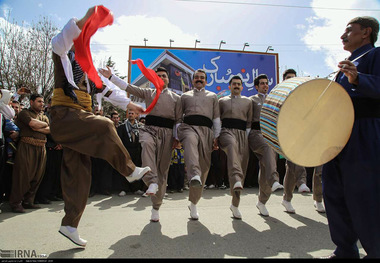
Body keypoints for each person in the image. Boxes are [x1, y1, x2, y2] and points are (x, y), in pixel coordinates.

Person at [50, 7, 150, 247]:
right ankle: (128, 171)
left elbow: (112, 94)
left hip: (79, 124)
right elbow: (61, 41)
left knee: (79, 174)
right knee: (106, 124)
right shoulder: (63, 56)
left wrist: (135, 107)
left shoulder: (89, 73)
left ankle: (69, 224)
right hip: (65, 118)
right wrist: (84, 21)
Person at [322, 16, 380, 258]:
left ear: (366, 32)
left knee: (363, 194)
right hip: (338, 134)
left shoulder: (375, 56)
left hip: (363, 131)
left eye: (349, 31)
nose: (343, 35)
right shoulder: (345, 65)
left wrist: (359, 79)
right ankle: (345, 249)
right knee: (334, 193)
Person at [99, 66, 181, 222]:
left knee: (163, 172)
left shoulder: (176, 98)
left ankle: (156, 207)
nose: (161, 78)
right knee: (146, 145)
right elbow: (129, 87)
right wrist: (111, 77)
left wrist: (176, 137)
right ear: (153, 78)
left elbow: (178, 120)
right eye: (158, 76)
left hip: (167, 134)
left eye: (164, 76)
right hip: (149, 130)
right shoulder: (148, 93)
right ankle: (151, 182)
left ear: (168, 79)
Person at [177, 69, 221, 220]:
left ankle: (193, 203)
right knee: (190, 141)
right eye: (196, 78)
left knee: (204, 168)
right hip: (188, 128)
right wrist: (176, 136)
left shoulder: (213, 96)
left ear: (206, 81)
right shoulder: (184, 96)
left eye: (202, 78)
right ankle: (193, 173)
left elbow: (216, 119)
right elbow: (178, 117)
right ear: (193, 80)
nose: (199, 80)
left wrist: (216, 137)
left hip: (206, 133)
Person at [218, 75, 253, 219]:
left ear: (242, 86)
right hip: (226, 132)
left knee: (241, 167)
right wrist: (216, 137)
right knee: (231, 147)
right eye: (234, 84)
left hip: (242, 135)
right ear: (230, 86)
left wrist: (246, 138)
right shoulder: (221, 101)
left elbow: (249, 122)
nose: (236, 86)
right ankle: (236, 177)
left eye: (239, 84)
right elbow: (217, 120)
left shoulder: (248, 102)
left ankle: (235, 204)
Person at [249, 74, 283, 217]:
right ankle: (274, 179)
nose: (265, 85)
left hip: (271, 136)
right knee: (268, 150)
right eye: (262, 83)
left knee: (266, 166)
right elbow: (247, 121)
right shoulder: (251, 100)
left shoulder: (273, 101)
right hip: (256, 134)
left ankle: (262, 201)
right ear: (256, 86)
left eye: (266, 83)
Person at [9, 94, 50, 213]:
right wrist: (41, 126)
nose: (42, 104)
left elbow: (50, 129)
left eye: (42, 102)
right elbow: (32, 124)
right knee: (23, 176)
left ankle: (28, 201)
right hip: (27, 147)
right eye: (39, 101)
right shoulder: (24, 113)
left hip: (41, 148)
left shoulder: (44, 116)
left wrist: (40, 127)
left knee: (37, 176)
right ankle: (16, 203)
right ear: (31, 102)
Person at [280, 69, 312, 214]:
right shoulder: (279, 95)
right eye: (288, 78)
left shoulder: (302, 96)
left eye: (293, 78)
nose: (290, 79)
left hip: (299, 135)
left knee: (290, 167)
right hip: (284, 135)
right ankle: (302, 182)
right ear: (283, 79)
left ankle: (286, 199)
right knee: (294, 161)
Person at [115, 109, 145, 196]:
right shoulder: (122, 127)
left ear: (136, 115)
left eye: (133, 113)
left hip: (137, 151)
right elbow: (119, 140)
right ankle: (124, 189)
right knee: (125, 169)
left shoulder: (140, 127)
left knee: (136, 169)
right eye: (129, 113)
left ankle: (136, 188)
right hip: (126, 151)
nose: (131, 115)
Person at [0, 89, 20, 165]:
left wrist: (17, 94)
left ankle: (10, 155)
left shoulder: (5, 105)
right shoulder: (2, 105)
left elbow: (12, 98)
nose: (10, 101)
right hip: (7, 124)